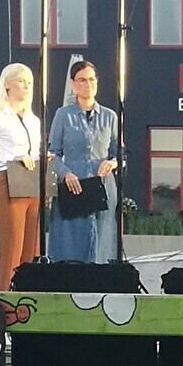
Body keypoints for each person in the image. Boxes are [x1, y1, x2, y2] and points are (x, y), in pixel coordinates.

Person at [44, 57, 122, 266]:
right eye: (82, 80)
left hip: (102, 187)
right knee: (71, 245)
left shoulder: (110, 117)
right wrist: (65, 173)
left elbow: (119, 153)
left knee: (102, 242)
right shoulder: (63, 115)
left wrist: (113, 162)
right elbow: (52, 153)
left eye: (92, 79)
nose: (88, 84)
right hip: (73, 187)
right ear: (73, 84)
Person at [0, 62, 44, 290]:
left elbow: (34, 152)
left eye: (29, 82)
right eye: (21, 81)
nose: (26, 86)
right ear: (7, 84)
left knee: (31, 249)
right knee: (11, 246)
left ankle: (27, 296)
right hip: (8, 182)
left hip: (31, 183)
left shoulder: (33, 120)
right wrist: (12, 159)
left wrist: (42, 158)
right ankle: (5, 296)